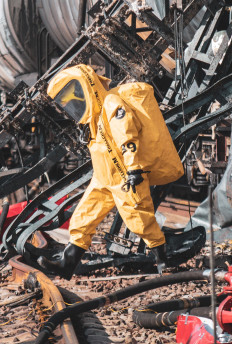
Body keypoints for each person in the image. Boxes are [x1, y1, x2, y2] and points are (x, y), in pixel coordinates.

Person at [38, 64, 180, 279]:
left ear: (86, 88)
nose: (69, 103)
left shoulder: (111, 104)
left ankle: (163, 261)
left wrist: (134, 168)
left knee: (139, 220)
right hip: (103, 177)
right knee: (83, 218)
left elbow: (127, 136)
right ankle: (67, 264)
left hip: (123, 175)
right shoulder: (93, 117)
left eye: (71, 95)